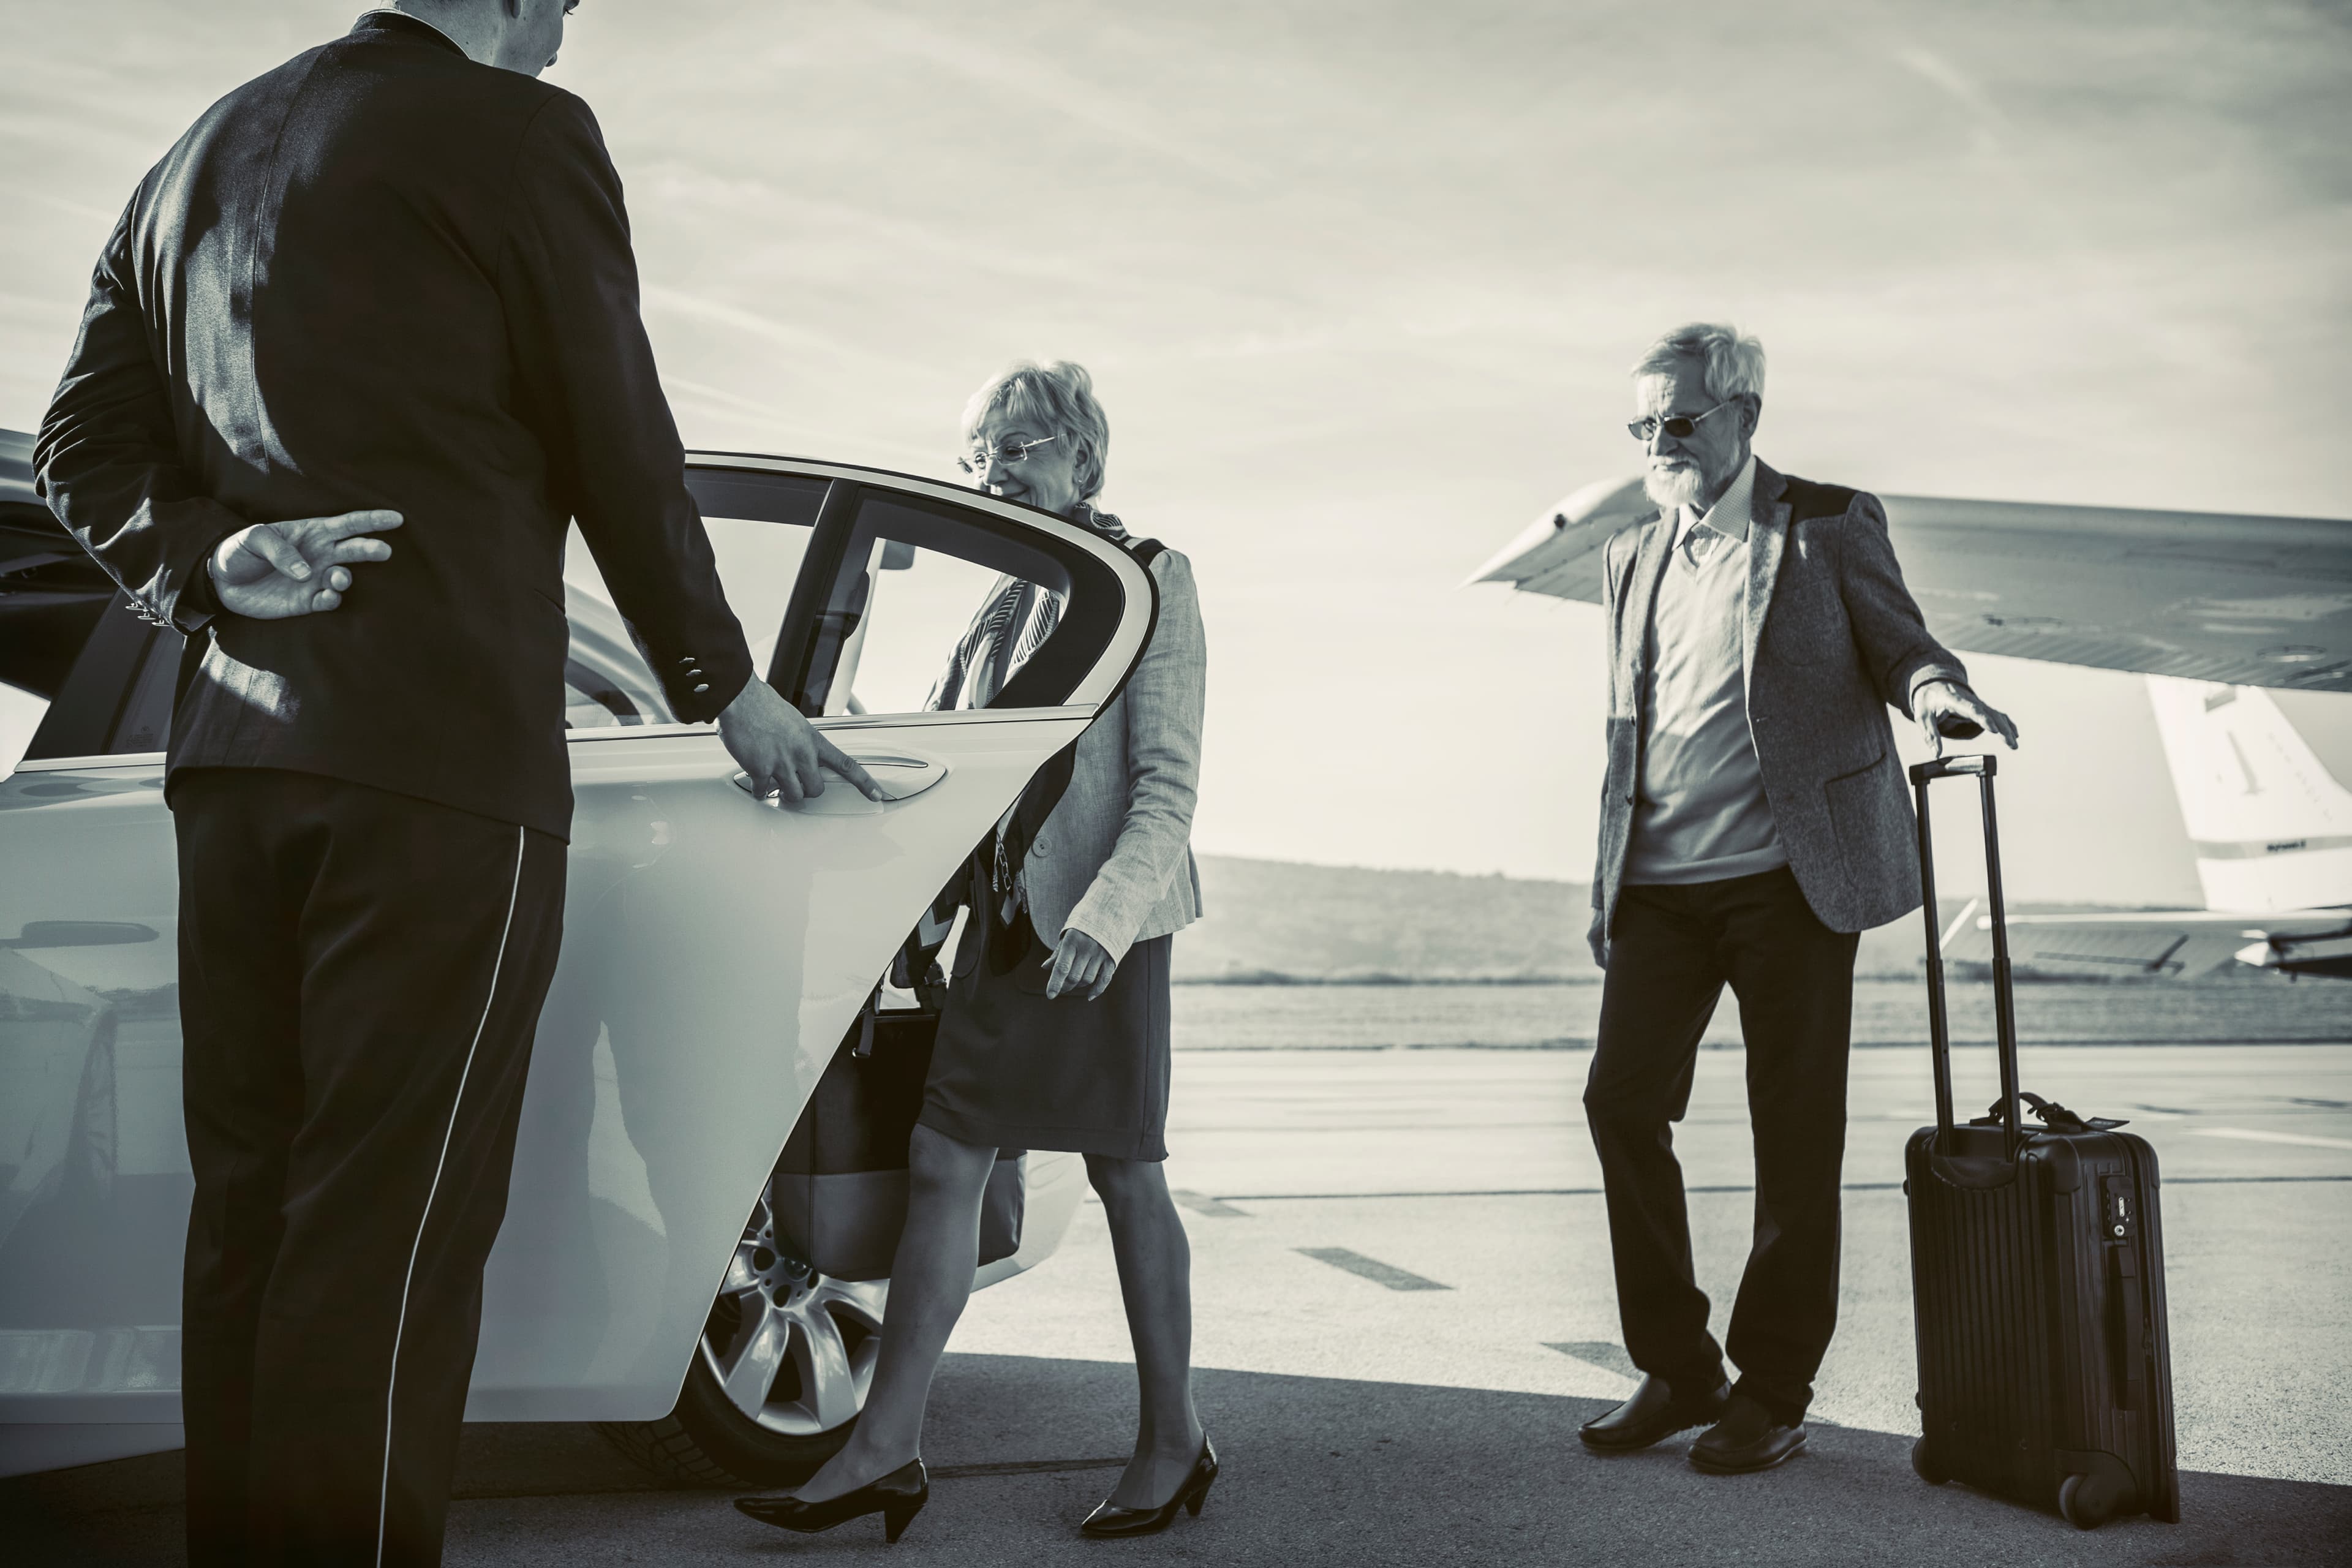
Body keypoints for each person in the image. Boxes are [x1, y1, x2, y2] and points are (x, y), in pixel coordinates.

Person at [32, 4, 876, 1562]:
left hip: (227, 771)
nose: (568, 21)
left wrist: (208, 559)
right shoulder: (524, 137)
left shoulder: (188, 161)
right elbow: (618, 430)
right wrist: (724, 687)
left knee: (249, 1224)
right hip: (438, 770)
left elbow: (82, 439)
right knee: (387, 1235)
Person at [736, 360, 1212, 1544]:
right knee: (944, 1160)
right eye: (976, 457)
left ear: (1081, 457)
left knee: (1124, 1174)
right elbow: (946, 765)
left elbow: (1166, 787)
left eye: (1014, 451)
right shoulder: (998, 610)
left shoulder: (1151, 580)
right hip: (1000, 930)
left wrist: (1104, 924)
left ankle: (1173, 1440)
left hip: (1100, 928)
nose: (989, 476)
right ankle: (885, 1450)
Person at [1575, 324, 2018, 1475]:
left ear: (1744, 415)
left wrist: (1941, 700)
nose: (1661, 442)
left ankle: (1771, 1388)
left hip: (1789, 884)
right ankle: (1679, 1368)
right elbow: (1626, 736)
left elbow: (1899, 645)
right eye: (1644, 424)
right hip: (1660, 890)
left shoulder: (1825, 524)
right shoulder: (1630, 555)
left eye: (1681, 420)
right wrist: (1605, 879)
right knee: (1620, 1104)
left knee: (1794, 1137)